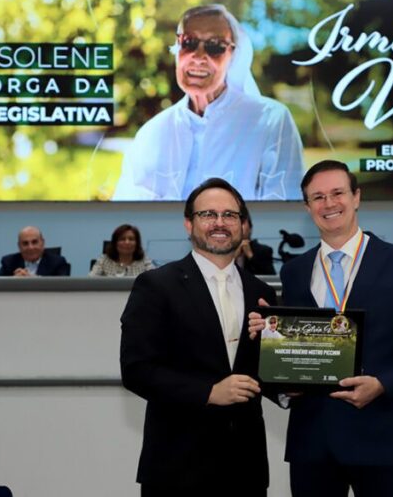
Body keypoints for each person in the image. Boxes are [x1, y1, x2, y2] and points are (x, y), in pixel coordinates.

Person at [249, 160, 393, 497]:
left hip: (384, 440)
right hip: (312, 444)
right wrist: (273, 357)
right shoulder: (294, 271)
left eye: (337, 193)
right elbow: (294, 351)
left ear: (356, 197)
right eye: (318, 197)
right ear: (307, 207)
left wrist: (382, 384)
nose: (329, 204)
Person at [119, 178, 277, 496]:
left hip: (246, 470)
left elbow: (263, 371)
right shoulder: (155, 286)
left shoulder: (262, 292)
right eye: (208, 214)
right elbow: (137, 370)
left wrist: (292, 387)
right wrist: (209, 392)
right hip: (178, 468)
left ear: (243, 226)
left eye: (230, 215)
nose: (220, 223)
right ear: (188, 224)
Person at [113, 4, 304, 201]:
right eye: (189, 42)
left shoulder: (271, 122)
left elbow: (283, 216)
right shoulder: (151, 133)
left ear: (233, 56)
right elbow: (125, 218)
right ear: (177, 49)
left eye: (215, 46)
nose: (198, 57)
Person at [0, 226, 70, 277]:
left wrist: (32, 279)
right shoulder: (9, 262)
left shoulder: (58, 262)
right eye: (25, 243)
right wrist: (12, 281)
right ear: (19, 246)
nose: (30, 247)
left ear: (42, 243)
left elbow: (63, 286)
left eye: (34, 242)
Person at [89, 224, 154, 277]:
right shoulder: (103, 260)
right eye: (122, 239)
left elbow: (155, 281)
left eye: (131, 239)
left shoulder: (144, 260)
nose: (127, 242)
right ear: (115, 243)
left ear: (137, 243)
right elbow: (90, 282)